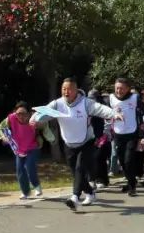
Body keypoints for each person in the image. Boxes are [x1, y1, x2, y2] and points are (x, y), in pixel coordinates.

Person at [32, 77, 116, 211]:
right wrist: (34, 119)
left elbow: (100, 109)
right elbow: (43, 113)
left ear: (76, 90)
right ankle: (90, 193)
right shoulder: (57, 104)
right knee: (75, 173)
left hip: (87, 142)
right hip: (69, 143)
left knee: (79, 168)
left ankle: (74, 197)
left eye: (69, 89)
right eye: (64, 89)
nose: (66, 92)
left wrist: (114, 114)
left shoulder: (86, 103)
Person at [0, 101, 51, 199]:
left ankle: (36, 186)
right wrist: (3, 137)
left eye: (24, 114)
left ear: (29, 113)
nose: (21, 116)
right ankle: (25, 192)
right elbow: (0, 128)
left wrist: (49, 136)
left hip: (33, 147)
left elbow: (45, 124)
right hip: (19, 149)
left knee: (29, 166)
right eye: (18, 114)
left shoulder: (34, 118)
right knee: (20, 170)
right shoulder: (11, 118)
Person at [109, 78, 144, 197]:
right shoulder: (111, 98)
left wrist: (142, 131)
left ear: (128, 89)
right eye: (117, 88)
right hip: (118, 134)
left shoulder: (135, 98)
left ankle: (132, 186)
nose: (119, 91)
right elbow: (106, 113)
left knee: (129, 160)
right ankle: (131, 181)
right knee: (122, 161)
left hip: (131, 133)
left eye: (122, 88)